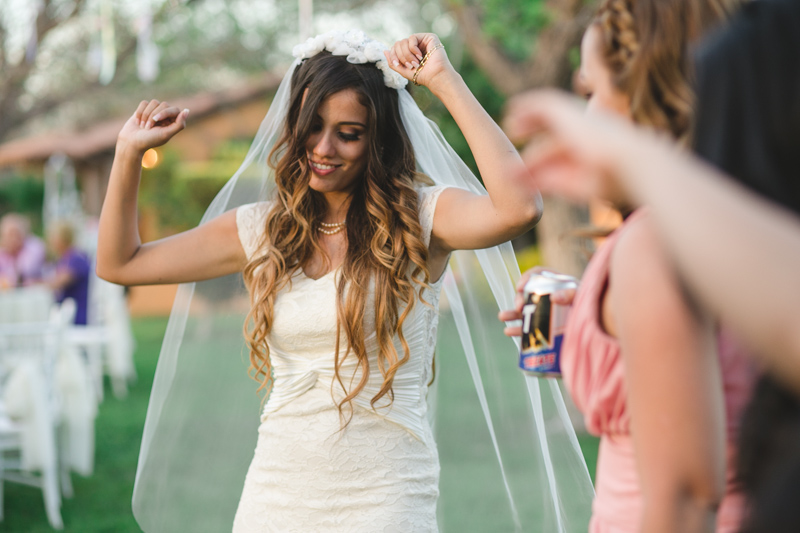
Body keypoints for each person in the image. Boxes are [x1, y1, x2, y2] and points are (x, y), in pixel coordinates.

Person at [97, 30, 592, 532]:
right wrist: (127, 154)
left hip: (386, 494)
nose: (323, 148)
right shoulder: (264, 229)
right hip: (276, 491)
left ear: (377, 138)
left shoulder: (420, 220)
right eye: (312, 127)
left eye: (348, 133)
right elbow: (121, 264)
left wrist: (443, 80)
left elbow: (519, 207)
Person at [501, 0, 751, 531]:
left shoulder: (654, 246)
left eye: (591, 92)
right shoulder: (747, 225)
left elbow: (685, 498)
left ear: (650, 94)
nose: (584, 118)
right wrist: (601, 316)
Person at [46, 221, 92, 325]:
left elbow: (58, 283)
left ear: (64, 238)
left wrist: (34, 283)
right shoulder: (64, 259)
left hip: (76, 313)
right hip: (68, 310)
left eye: (54, 236)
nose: (50, 240)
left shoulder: (75, 258)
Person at [0, 213, 46, 288]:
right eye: (10, 234)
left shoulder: (34, 246)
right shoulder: (2, 252)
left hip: (35, 293)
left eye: (16, 233)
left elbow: (27, 271)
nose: (13, 238)